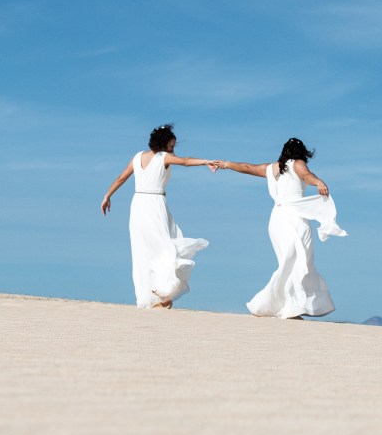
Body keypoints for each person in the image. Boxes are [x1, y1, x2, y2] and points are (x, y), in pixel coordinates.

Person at [214, 138, 347, 319]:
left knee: (290, 260)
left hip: (277, 218)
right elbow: (307, 175)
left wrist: (225, 164)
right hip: (295, 217)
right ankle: (282, 306)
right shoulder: (297, 163)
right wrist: (318, 182)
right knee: (297, 260)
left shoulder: (271, 168)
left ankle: (289, 306)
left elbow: (246, 167)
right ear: (301, 153)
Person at [101, 124, 215, 309]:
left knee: (145, 251)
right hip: (154, 205)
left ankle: (155, 297)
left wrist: (107, 196)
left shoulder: (138, 157)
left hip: (138, 205)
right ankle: (163, 292)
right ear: (164, 144)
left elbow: (121, 178)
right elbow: (185, 161)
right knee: (164, 248)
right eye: (171, 145)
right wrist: (205, 161)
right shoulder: (164, 157)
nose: (173, 149)